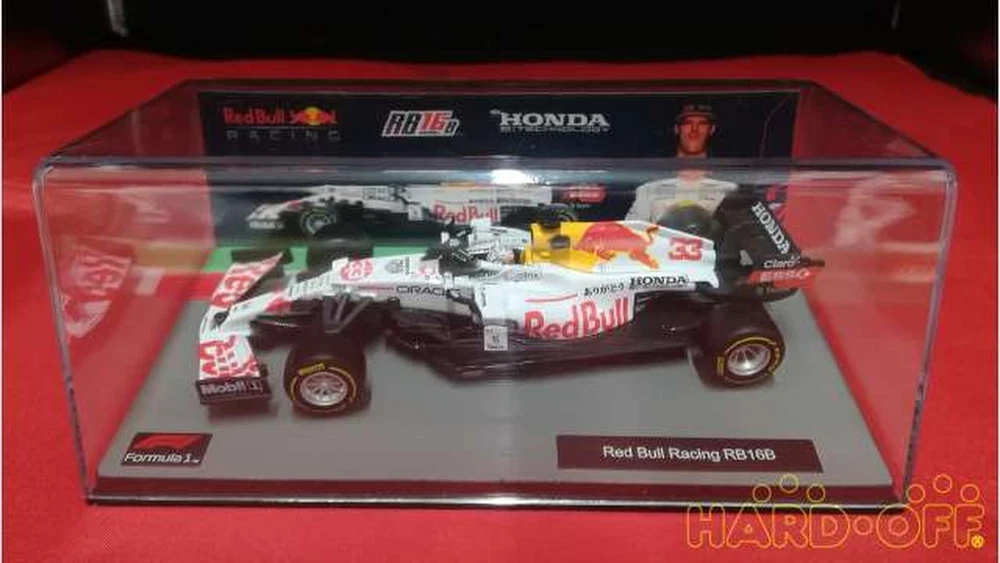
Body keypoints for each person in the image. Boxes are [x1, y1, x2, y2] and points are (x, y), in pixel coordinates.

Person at [625, 103, 738, 226]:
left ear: (712, 129)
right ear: (677, 129)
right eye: (687, 123)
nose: (694, 129)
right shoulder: (650, 186)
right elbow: (632, 230)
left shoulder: (729, 187)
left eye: (702, 124)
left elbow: (738, 232)